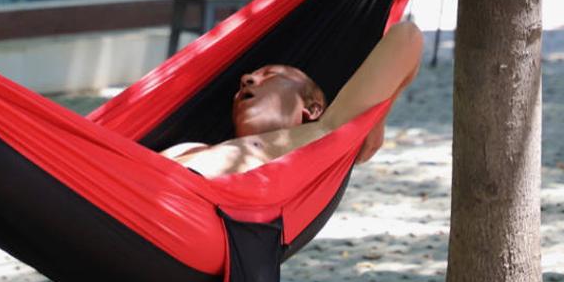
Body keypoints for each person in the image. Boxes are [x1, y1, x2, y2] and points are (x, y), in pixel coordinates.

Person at [159, 21, 423, 177]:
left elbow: (407, 36)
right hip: (137, 204)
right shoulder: (193, 147)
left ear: (312, 108)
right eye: (246, 80)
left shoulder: (322, 136)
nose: (246, 80)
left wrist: (375, 120)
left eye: (269, 76)